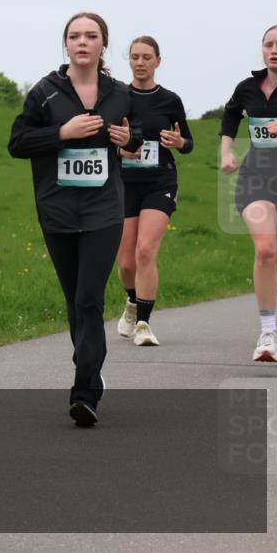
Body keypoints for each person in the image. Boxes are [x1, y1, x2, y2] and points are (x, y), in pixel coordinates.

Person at [8, 12, 140, 427]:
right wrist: (61, 134)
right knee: (74, 302)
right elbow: (17, 143)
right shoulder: (45, 93)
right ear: (65, 44)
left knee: (89, 298)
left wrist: (129, 140)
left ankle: (85, 392)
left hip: (104, 210)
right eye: (74, 36)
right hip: (57, 209)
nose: (82, 42)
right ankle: (90, 363)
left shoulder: (120, 93)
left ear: (104, 45)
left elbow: (136, 135)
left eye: (91, 36)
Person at [114, 36, 194, 347]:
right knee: (126, 263)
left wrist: (179, 143)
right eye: (135, 56)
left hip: (160, 182)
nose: (140, 62)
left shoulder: (170, 100)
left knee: (146, 251)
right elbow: (105, 141)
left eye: (147, 57)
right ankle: (132, 302)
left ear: (158, 61)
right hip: (124, 184)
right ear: (129, 60)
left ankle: (145, 323)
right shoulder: (118, 97)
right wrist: (121, 152)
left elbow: (187, 143)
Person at [219, 24, 277, 364]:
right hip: (257, 176)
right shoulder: (247, 87)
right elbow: (231, 115)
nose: (274, 50)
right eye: (268, 44)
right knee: (265, 249)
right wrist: (226, 152)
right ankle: (267, 332)